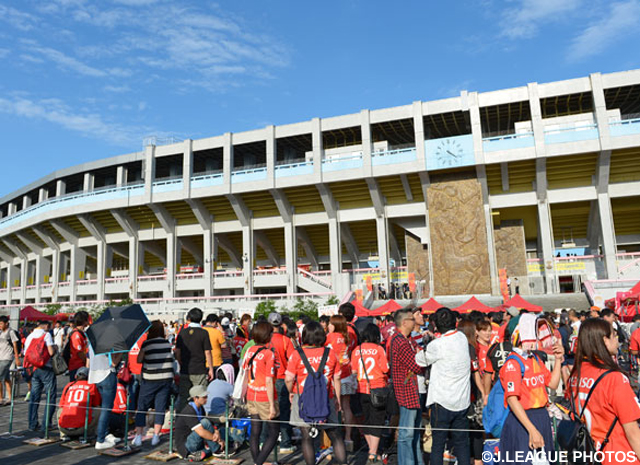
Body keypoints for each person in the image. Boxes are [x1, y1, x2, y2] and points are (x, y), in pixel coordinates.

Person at [567, 318, 640, 464]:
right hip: (620, 454)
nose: (617, 339)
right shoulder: (614, 378)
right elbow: (632, 432)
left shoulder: (576, 375)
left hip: (592, 452)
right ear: (604, 340)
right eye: (614, 335)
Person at [498, 313, 564, 464]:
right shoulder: (513, 364)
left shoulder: (535, 358)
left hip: (541, 416)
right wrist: (532, 430)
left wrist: (559, 359)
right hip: (523, 420)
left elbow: (552, 384)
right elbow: (512, 399)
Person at [285, 321, 346, 465]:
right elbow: (337, 379)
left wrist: (291, 392)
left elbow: (288, 379)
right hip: (327, 397)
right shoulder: (330, 353)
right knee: (335, 435)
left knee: (306, 437)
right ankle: (344, 463)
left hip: (302, 399)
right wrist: (338, 400)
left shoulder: (297, 354)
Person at [418, 308, 470, 465]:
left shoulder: (437, 345)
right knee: (462, 444)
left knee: (438, 446)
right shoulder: (461, 338)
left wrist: (428, 342)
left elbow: (420, 360)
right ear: (455, 322)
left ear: (435, 326)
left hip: (441, 402)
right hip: (462, 401)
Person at [389, 308, 425, 465]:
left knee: (413, 432)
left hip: (411, 389)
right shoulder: (401, 341)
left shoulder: (406, 339)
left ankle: (415, 461)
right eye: (412, 319)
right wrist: (420, 358)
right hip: (407, 390)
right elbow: (417, 366)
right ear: (404, 322)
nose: (415, 321)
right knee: (407, 433)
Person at [132, 320, 175, 447]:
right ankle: (156, 435)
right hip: (166, 378)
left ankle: (139, 436)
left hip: (150, 379)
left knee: (142, 407)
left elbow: (139, 360)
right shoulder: (166, 343)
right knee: (160, 407)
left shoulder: (147, 343)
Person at [241, 321, 279, 465]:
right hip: (265, 395)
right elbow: (269, 380)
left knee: (255, 431)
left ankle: (258, 460)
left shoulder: (250, 350)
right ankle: (259, 462)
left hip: (251, 393)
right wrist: (272, 405)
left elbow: (245, 370)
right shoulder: (268, 353)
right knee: (274, 432)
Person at [351, 323, 389, 464]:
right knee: (377, 421)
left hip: (361, 389)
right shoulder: (379, 349)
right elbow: (385, 369)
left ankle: (371, 450)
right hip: (378, 388)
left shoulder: (356, 350)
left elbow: (353, 371)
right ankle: (373, 451)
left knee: (366, 420)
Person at [267, 311, 296, 454]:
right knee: (284, 411)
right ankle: (285, 443)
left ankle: (265, 442)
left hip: (267, 379)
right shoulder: (286, 340)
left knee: (268, 411)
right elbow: (292, 361)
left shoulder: (265, 340)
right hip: (282, 378)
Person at [326, 314, 356, 449]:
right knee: (347, 406)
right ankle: (348, 437)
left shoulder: (329, 337)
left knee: (333, 406)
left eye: (331, 323)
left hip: (334, 376)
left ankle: (334, 440)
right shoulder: (348, 336)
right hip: (347, 374)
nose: (328, 326)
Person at [175, 308, 213, 411]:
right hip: (199, 369)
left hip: (185, 369)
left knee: (184, 397)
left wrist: (180, 361)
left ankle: (182, 419)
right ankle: (198, 418)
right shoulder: (203, 333)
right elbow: (207, 352)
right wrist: (210, 368)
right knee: (200, 396)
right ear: (201, 319)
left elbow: (177, 351)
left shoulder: (182, 333)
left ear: (189, 318)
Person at [174, 385, 225, 461]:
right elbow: (201, 431)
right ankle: (216, 449)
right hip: (186, 444)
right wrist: (218, 440)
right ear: (195, 398)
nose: (206, 399)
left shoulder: (200, 407)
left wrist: (216, 431)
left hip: (195, 439)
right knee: (205, 422)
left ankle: (196, 453)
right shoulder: (189, 411)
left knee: (221, 430)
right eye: (204, 397)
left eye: (206, 396)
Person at [24, 319, 58, 432]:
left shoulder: (30, 336)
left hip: (34, 368)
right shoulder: (46, 334)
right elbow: (51, 352)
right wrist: (55, 347)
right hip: (46, 368)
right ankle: (46, 424)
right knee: (50, 396)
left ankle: (32, 424)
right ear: (46, 326)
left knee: (34, 397)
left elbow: (25, 353)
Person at [88, 345, 122, 450]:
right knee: (106, 408)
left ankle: (105, 433)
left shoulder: (92, 342)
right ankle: (101, 439)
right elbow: (114, 363)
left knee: (105, 406)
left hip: (96, 376)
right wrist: (121, 352)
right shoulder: (107, 342)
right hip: (107, 374)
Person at [58, 367, 101, 440]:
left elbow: (61, 404)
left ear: (76, 376)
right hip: (82, 428)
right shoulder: (92, 386)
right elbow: (96, 403)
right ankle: (90, 433)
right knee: (99, 410)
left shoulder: (69, 385)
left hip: (64, 428)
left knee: (61, 410)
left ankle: (63, 434)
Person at [0, 315, 20, 405]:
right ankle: (10, 397)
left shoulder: (11, 332)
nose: (0, 325)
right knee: (7, 378)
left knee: (0, 378)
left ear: (6, 323)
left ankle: (0, 398)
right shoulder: (0, 332)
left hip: (7, 357)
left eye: (1, 323)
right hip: (1, 356)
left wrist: (16, 358)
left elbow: (15, 345)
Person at [68, 311, 89, 382]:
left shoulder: (82, 333)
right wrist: (87, 361)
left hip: (81, 365)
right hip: (77, 366)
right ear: (83, 321)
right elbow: (79, 352)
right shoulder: (76, 334)